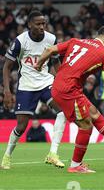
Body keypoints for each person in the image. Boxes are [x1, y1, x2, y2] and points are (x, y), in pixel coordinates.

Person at [34, 25, 104, 173]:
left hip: (60, 85)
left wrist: (39, 63)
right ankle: (75, 165)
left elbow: (49, 50)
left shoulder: (75, 41)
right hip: (69, 91)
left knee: (94, 114)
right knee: (86, 126)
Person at [1, 11, 66, 170]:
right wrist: (7, 92)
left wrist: (64, 82)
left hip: (46, 82)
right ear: (29, 24)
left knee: (63, 111)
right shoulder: (20, 41)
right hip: (27, 85)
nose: (42, 27)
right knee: (21, 127)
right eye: (38, 24)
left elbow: (56, 62)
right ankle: (7, 155)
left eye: (43, 24)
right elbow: (7, 67)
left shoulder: (51, 39)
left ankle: (53, 153)